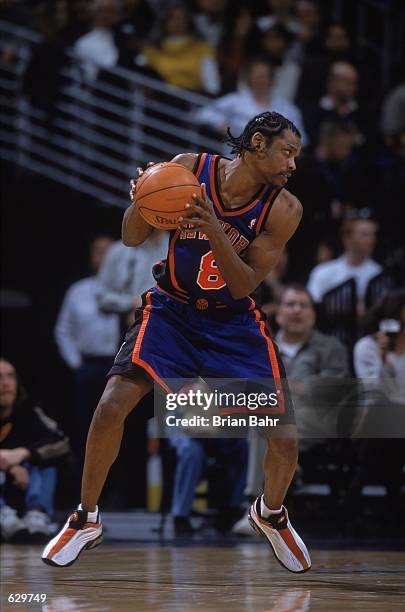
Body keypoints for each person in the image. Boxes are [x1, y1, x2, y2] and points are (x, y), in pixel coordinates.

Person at [42, 110, 311, 573]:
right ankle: (85, 518)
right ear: (258, 144)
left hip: (233, 322)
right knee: (110, 405)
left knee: (283, 438)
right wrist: (141, 199)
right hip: (172, 308)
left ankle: (271, 514)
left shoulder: (284, 208)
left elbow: (245, 284)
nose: (292, 165)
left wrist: (211, 228)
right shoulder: (188, 167)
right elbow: (130, 238)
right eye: (287, 152)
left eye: (297, 156)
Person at [54, 236, 119, 463]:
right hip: (89, 367)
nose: (107, 257)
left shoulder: (131, 290)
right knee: (86, 427)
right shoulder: (78, 291)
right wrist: (76, 363)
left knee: (119, 429)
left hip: (121, 366)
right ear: (92, 257)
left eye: (112, 252)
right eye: (101, 252)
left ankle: (120, 493)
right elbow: (63, 330)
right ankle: (84, 492)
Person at [0, 359, 70, 541]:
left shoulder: (28, 414)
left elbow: (61, 442)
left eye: (10, 377)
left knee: (45, 459)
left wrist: (24, 454)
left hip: (22, 490)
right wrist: (9, 466)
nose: (5, 383)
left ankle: (37, 515)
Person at [307, 217, 382, 312]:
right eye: (365, 235)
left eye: (373, 235)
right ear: (347, 238)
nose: (371, 240)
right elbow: (311, 304)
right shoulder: (322, 272)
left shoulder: (378, 272)